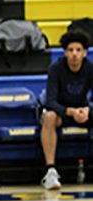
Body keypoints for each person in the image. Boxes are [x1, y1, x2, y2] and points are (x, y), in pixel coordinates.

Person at [40, 30, 93, 191]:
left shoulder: (90, 69)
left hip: (83, 112)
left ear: (84, 52)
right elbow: (50, 102)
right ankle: (50, 171)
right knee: (48, 117)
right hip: (62, 112)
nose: (74, 54)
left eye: (78, 50)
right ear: (65, 53)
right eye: (70, 50)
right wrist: (70, 112)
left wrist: (88, 110)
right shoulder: (55, 69)